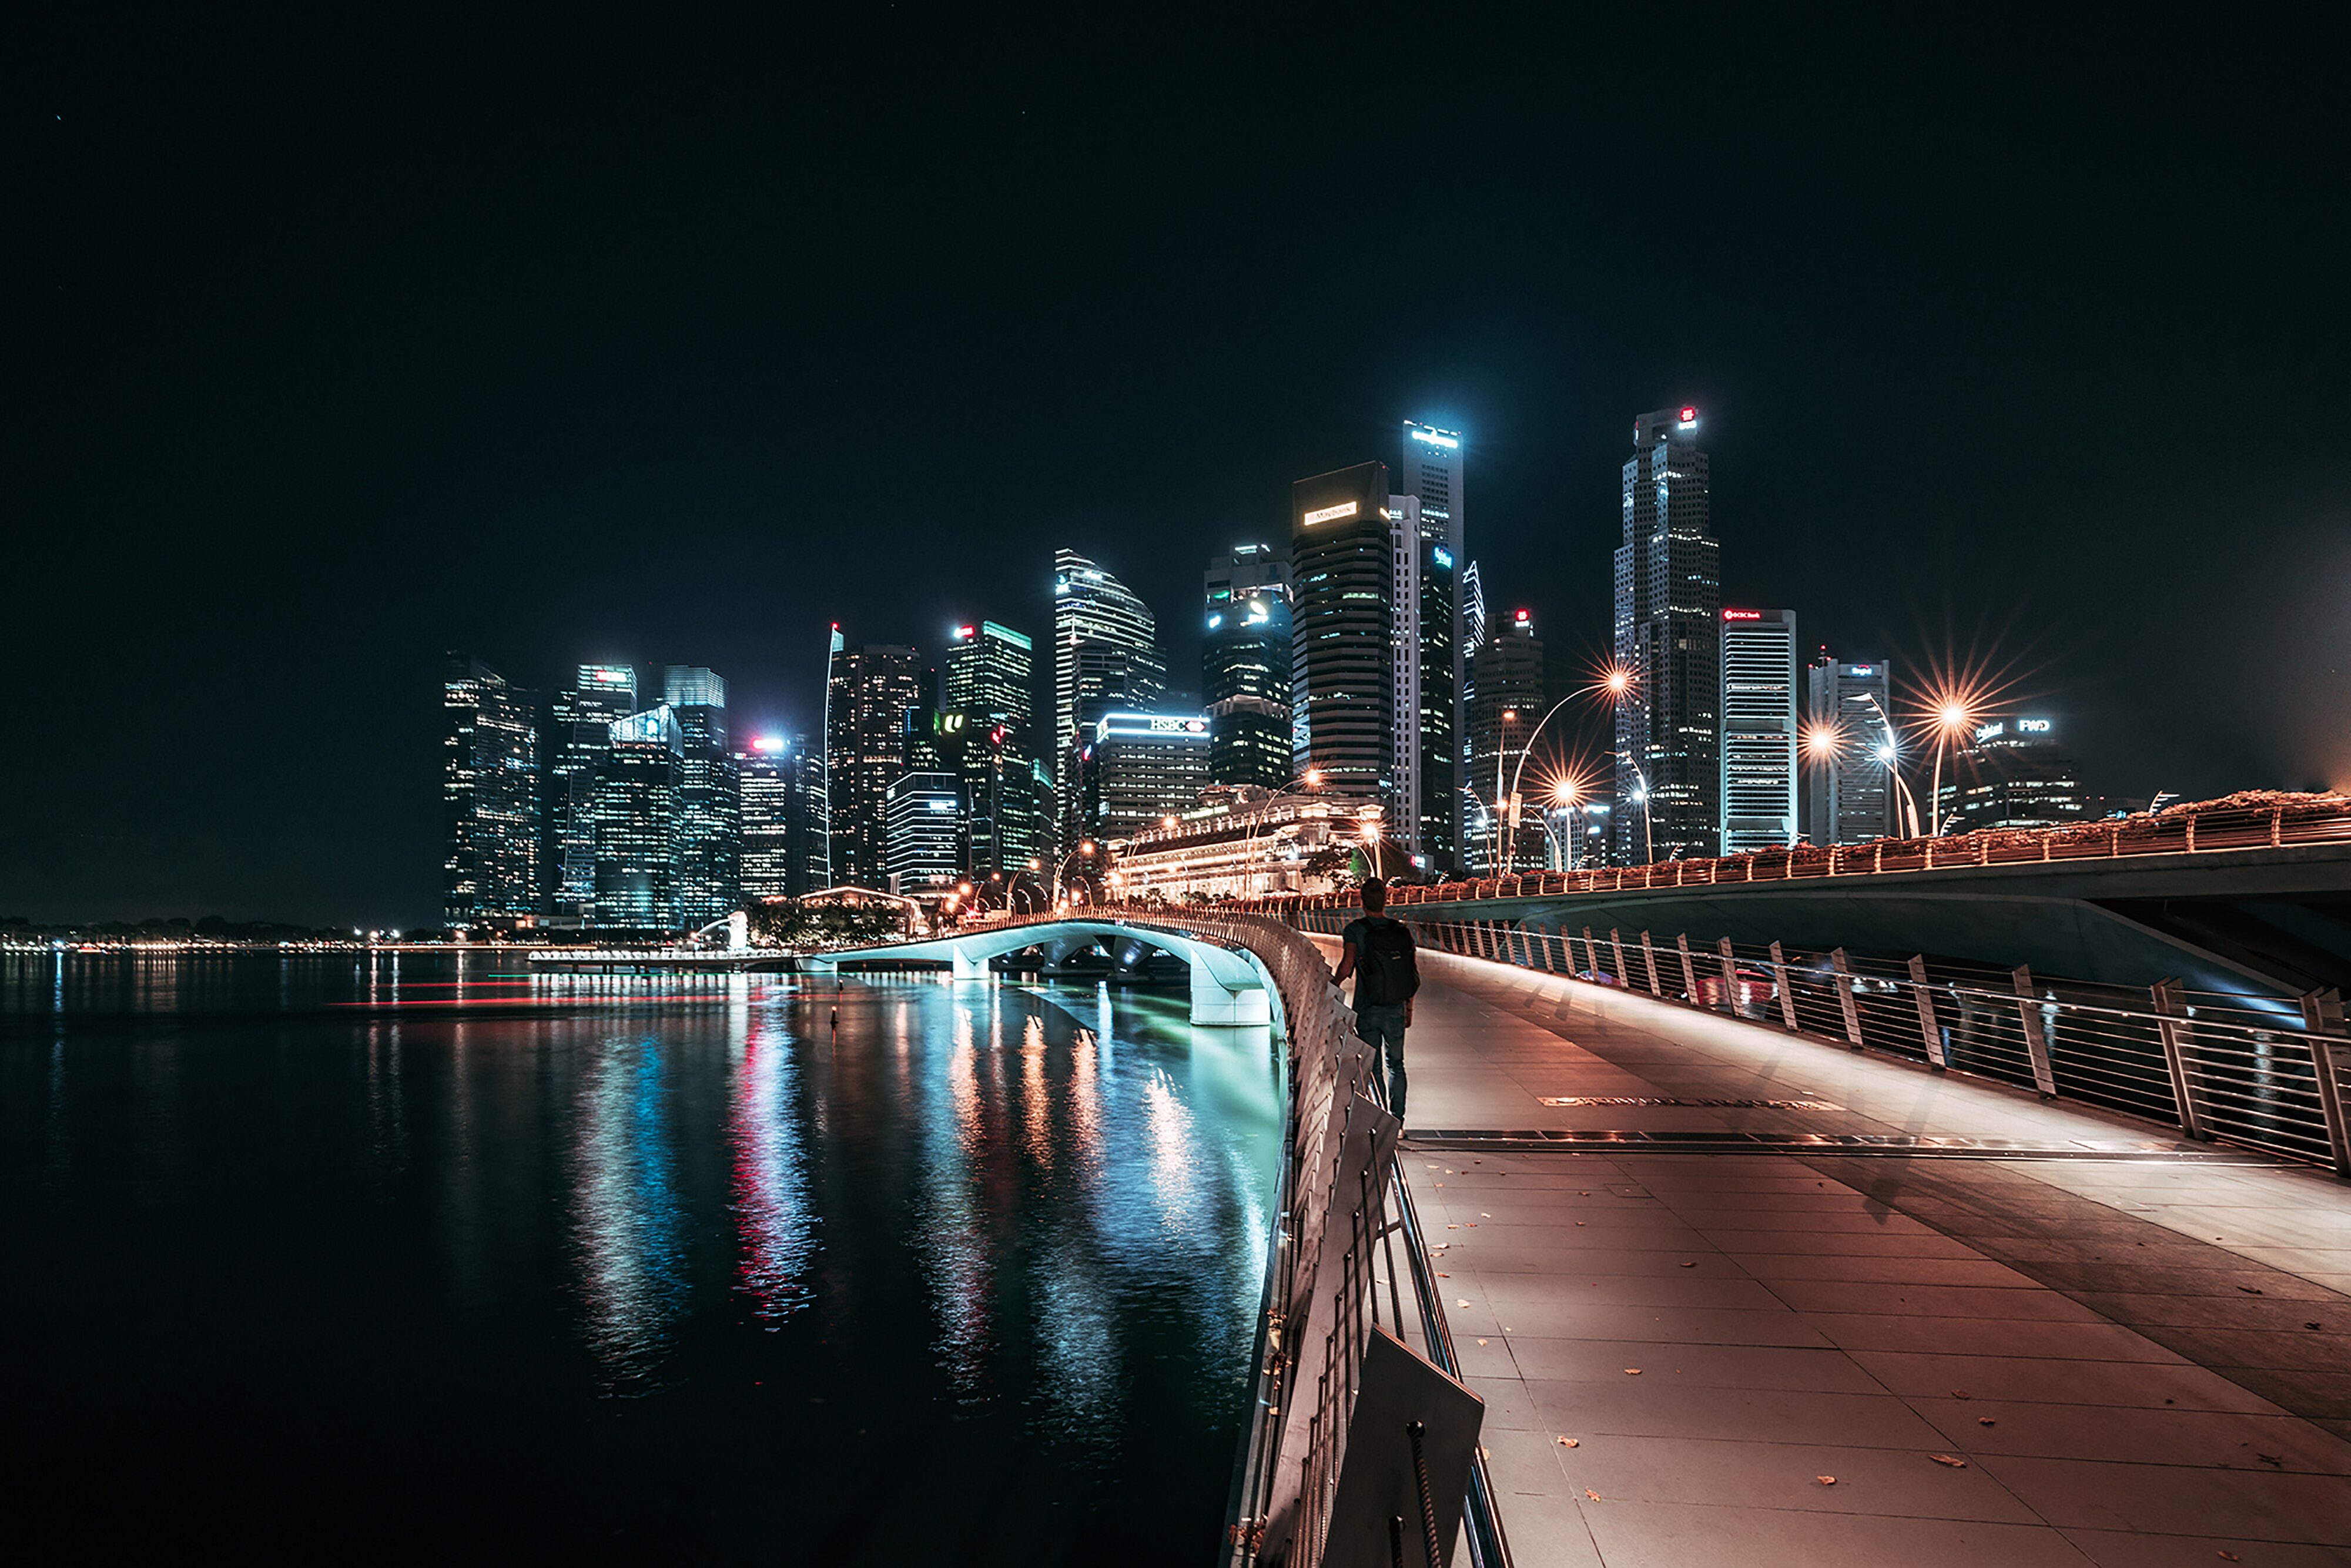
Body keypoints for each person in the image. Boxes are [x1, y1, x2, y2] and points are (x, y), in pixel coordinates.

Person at [1331, 876, 1420, 1123]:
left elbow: (1347, 966)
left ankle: (1381, 1120)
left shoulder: (1355, 930)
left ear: (1362, 902)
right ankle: (1399, 1119)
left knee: (1374, 1066)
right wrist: (1409, 1009)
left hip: (1367, 1008)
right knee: (1397, 1065)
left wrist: (1332, 986)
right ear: (1385, 901)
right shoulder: (1401, 931)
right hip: (1396, 1008)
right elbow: (1411, 971)